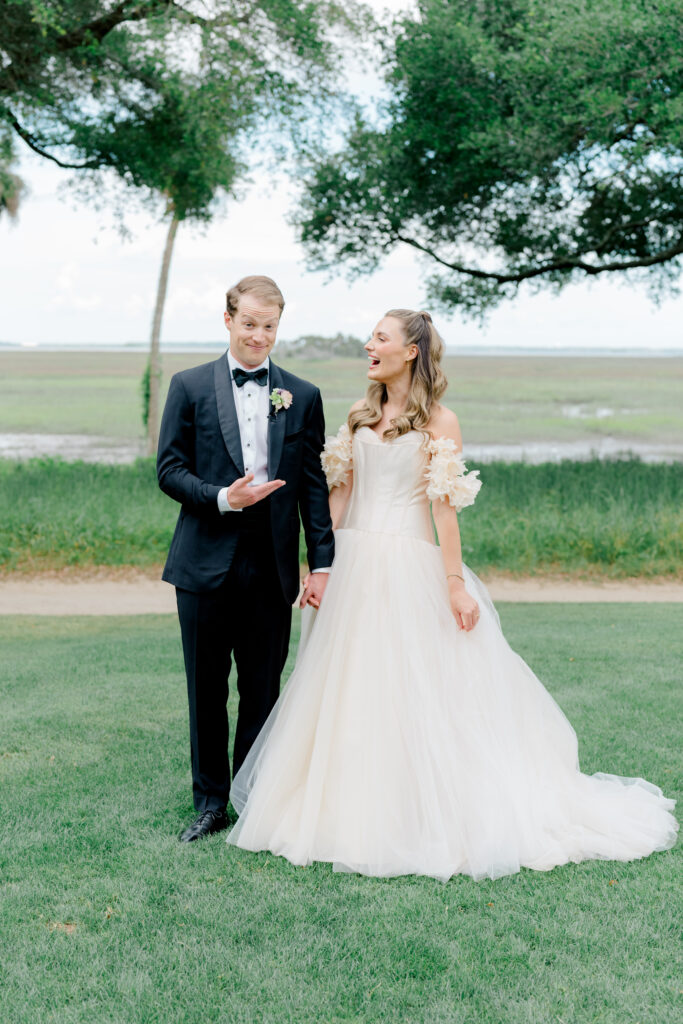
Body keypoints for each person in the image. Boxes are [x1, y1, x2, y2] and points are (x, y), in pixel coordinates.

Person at [226, 308, 678, 880]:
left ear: (410, 351)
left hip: (406, 565)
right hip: (352, 566)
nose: (370, 344)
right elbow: (339, 497)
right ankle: (343, 805)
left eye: (381, 338)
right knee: (348, 688)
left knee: (410, 688)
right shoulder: (359, 413)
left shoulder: (441, 421)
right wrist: (320, 564)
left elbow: (445, 511)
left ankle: (415, 811)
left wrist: (456, 585)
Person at [157, 275, 334, 842]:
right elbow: (168, 469)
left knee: (262, 689)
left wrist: (322, 564)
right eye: (250, 323)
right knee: (205, 690)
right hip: (204, 560)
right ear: (228, 320)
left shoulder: (302, 396)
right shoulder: (188, 386)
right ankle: (210, 804)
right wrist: (220, 498)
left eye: (270, 326)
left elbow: (312, 487)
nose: (259, 336)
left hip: (273, 566)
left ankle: (251, 795)